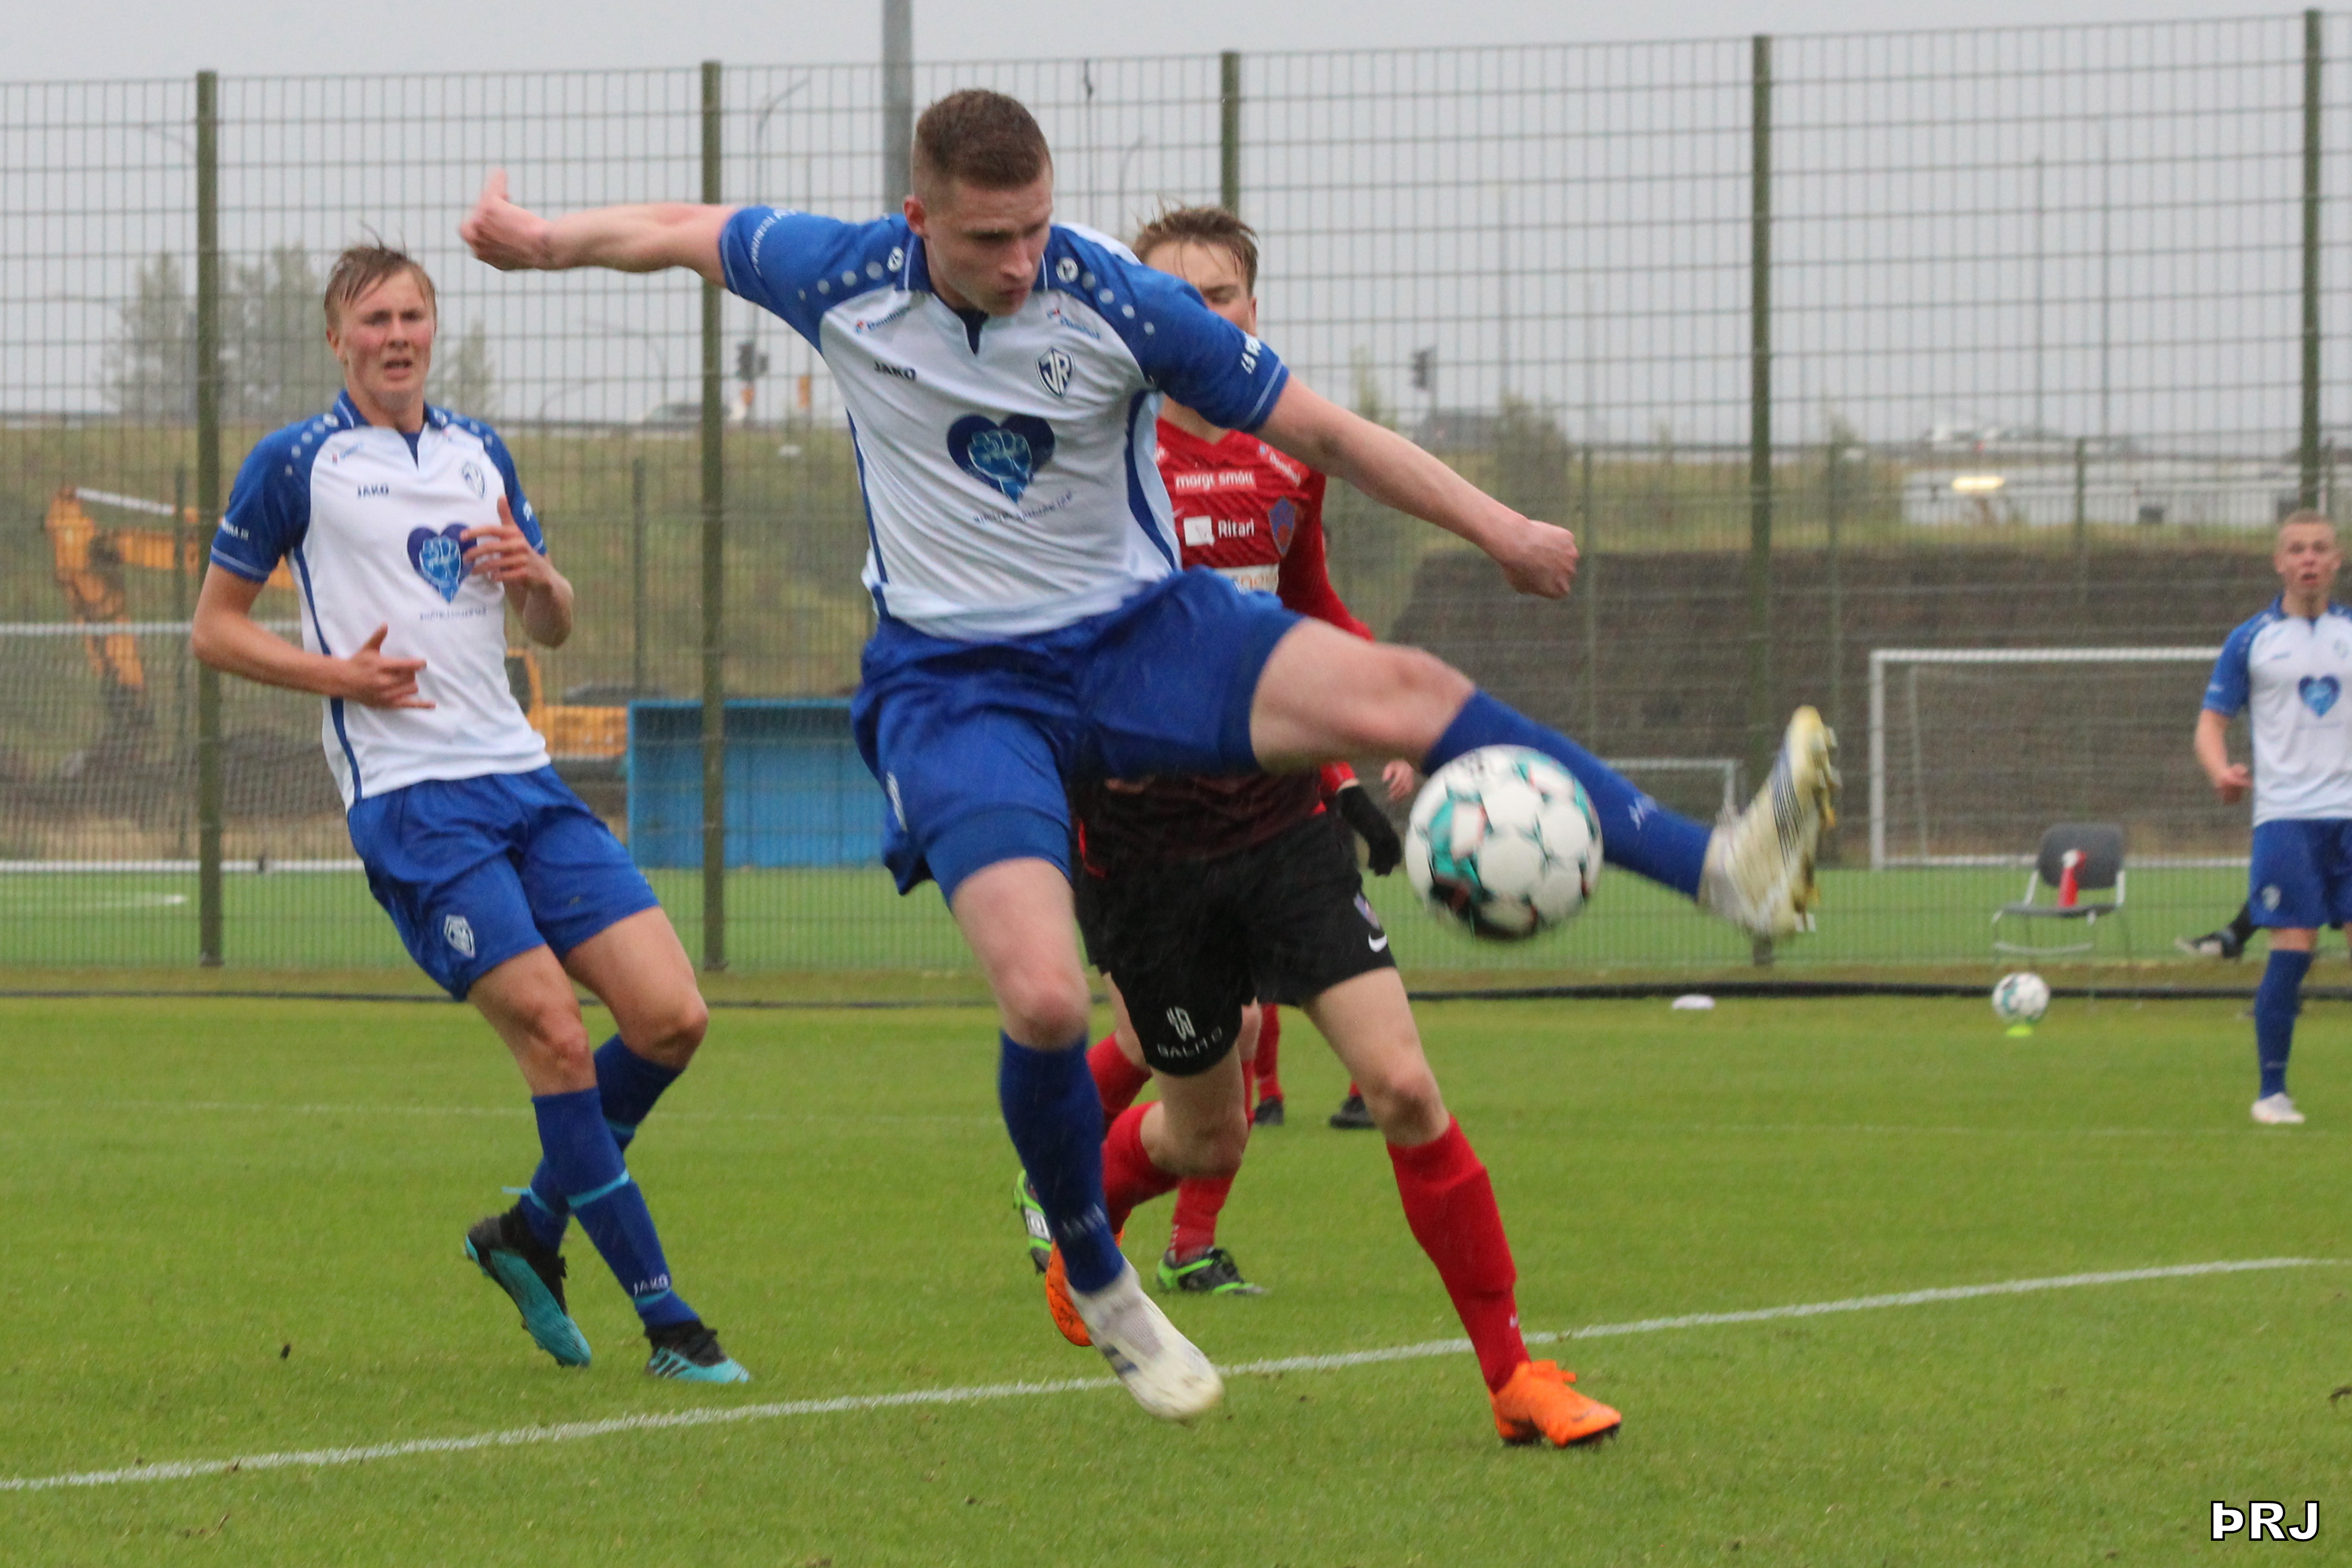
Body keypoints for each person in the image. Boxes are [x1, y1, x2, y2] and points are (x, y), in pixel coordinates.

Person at [458, 89, 1836, 1425]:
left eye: (1035, 227)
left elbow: (1327, 432)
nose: (1021, 261)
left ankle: (1719, 869)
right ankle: (1095, 1267)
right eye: (988, 238)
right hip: (957, 687)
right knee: (1044, 999)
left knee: (1410, 689)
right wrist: (543, 241)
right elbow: (682, 229)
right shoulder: (843, 274)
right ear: (918, 221)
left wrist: (1501, 530)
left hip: (1139, 635)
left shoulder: (1114, 296)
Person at [1020, 203, 1627, 1445]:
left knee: (1400, 1083)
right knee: (1206, 1133)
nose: (1201, 312)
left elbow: (1310, 611)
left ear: (1252, 310)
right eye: (1176, 292)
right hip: (1140, 854)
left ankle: (1515, 1376)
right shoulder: (1091, 456)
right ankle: (1082, 1232)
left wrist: (1389, 714)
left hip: (1281, 826)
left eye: (1223, 294)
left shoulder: (1284, 457)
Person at [191, 243, 749, 1383]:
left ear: (432, 328)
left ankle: (530, 1232)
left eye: (412, 315)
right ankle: (670, 1322)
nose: (396, 336)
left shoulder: (477, 449)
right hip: (413, 803)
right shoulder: (295, 463)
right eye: (374, 319)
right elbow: (215, 628)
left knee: (672, 1017)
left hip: (524, 781)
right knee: (554, 1030)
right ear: (338, 340)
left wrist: (541, 579)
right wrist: (340, 675)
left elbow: (552, 626)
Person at [2196, 510, 2352, 1126]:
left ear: (2336, 560)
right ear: (2279, 562)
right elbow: (2211, 724)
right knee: (2293, 947)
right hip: (2286, 818)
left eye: (2319, 548)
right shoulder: (2251, 639)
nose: (2308, 558)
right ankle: (2272, 1093)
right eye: (2297, 549)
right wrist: (2221, 771)